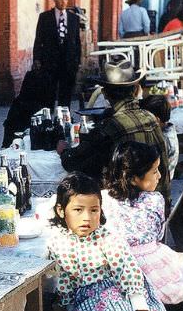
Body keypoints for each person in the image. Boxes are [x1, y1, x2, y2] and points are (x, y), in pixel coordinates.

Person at [47, 172, 183, 311]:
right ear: (60, 210)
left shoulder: (107, 238)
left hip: (121, 291)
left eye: (94, 210)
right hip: (85, 301)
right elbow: (64, 282)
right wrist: (65, 306)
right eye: (78, 210)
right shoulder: (58, 242)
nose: (87, 217)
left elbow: (129, 273)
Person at [58, 68, 171, 207]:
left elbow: (73, 162)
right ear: (135, 90)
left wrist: (63, 151)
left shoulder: (111, 126)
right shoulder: (150, 116)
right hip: (161, 198)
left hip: (135, 206)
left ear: (104, 93)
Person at [101, 141, 183, 304]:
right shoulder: (155, 199)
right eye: (154, 172)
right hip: (150, 268)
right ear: (133, 179)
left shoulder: (102, 198)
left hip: (114, 266)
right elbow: (158, 235)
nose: (159, 176)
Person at [33, 0, 82, 108]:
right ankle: (48, 121)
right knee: (48, 94)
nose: (64, 2)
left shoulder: (74, 18)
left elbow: (77, 42)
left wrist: (77, 62)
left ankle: (65, 119)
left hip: (68, 62)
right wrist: (37, 59)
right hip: (50, 62)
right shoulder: (45, 17)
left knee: (66, 95)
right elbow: (38, 40)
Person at [140, 95, 178, 179]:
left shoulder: (163, 139)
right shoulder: (167, 129)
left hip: (160, 181)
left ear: (156, 120)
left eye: (144, 117)